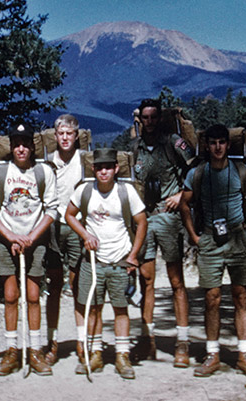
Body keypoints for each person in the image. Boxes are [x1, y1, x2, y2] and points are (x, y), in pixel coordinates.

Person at [179, 123, 246, 378]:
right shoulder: (198, 172)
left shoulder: (241, 170)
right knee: (212, 299)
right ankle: (212, 354)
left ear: (228, 144)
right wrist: (194, 235)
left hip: (238, 238)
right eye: (213, 142)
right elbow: (185, 204)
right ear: (206, 145)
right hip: (209, 239)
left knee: (241, 297)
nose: (217, 147)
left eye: (222, 142)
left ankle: (244, 354)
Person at [65, 148, 147, 380]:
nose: (103, 172)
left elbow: (141, 222)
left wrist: (133, 254)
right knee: (94, 308)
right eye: (99, 167)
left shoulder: (126, 191)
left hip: (120, 259)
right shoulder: (84, 190)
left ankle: (122, 355)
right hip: (93, 261)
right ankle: (96, 353)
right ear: (93, 169)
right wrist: (85, 235)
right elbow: (69, 215)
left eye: (108, 167)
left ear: (116, 169)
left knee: (121, 308)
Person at [0, 121, 58, 376]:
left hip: (35, 240)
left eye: (26, 144)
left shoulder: (43, 173)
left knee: (34, 295)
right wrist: (12, 236)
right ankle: (12, 350)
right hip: (7, 240)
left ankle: (35, 350)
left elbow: (51, 210)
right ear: (11, 147)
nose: (21, 149)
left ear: (32, 147)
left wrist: (30, 237)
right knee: (10, 295)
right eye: (17, 145)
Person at [131, 98, 194, 367]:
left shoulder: (173, 143)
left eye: (154, 117)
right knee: (146, 281)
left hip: (168, 218)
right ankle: (148, 340)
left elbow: (196, 168)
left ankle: (182, 342)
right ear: (140, 121)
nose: (150, 122)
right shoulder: (134, 148)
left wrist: (182, 195)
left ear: (160, 118)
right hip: (145, 218)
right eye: (145, 118)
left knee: (176, 281)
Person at [43, 114, 86, 368]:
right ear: (55, 136)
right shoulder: (48, 163)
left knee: (79, 284)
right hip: (53, 226)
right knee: (54, 285)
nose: (65, 138)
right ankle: (52, 342)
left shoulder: (85, 161)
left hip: (77, 226)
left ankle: (83, 342)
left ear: (76, 135)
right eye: (61, 134)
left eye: (70, 133)